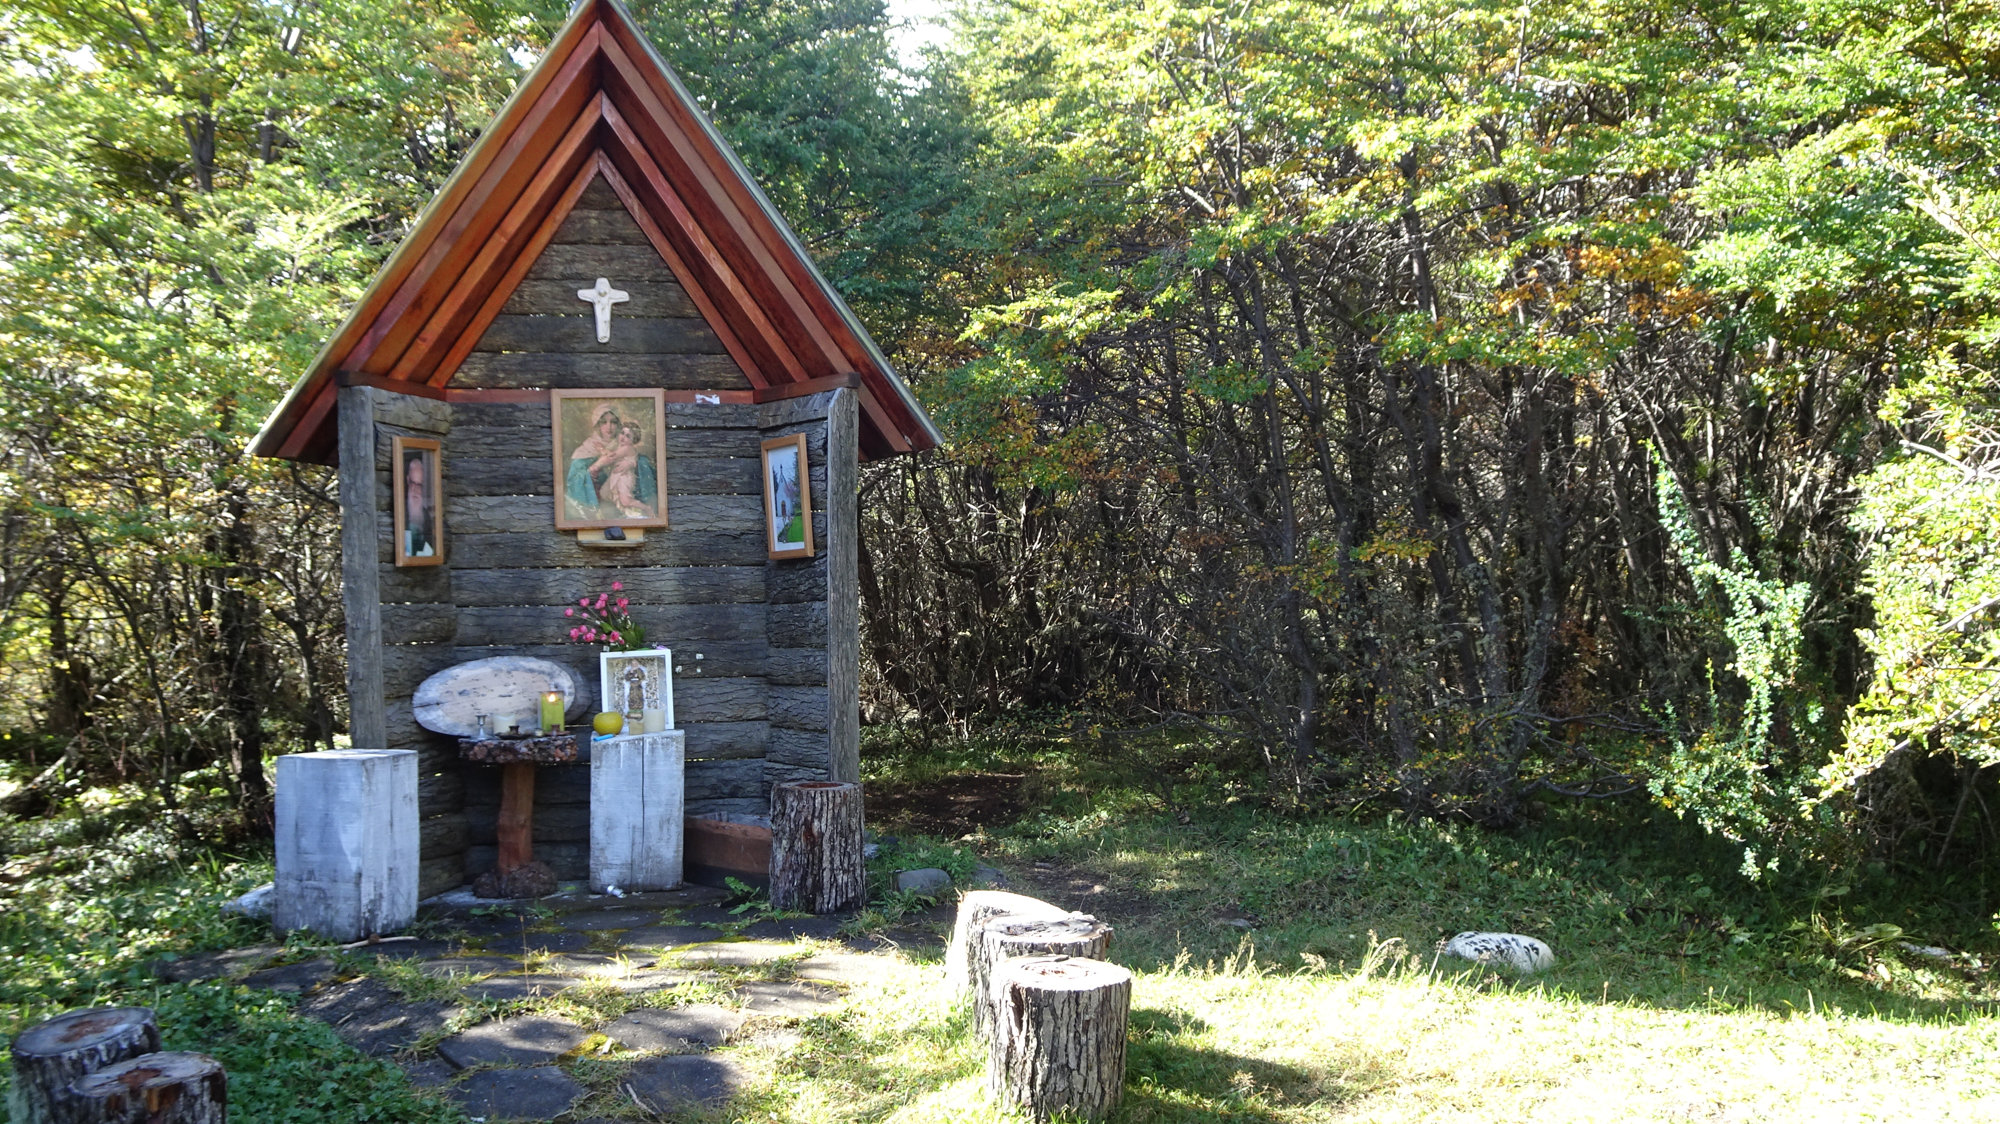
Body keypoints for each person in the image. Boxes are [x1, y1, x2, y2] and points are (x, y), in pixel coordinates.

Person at [403, 451, 436, 558]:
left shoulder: (427, 517)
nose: (415, 490)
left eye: (419, 485)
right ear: (408, 480)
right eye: (413, 483)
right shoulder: (400, 510)